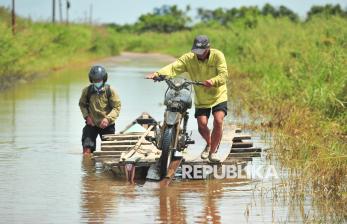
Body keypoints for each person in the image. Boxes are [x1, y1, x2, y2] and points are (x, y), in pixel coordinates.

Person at [146, 35, 228, 162]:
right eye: (196, 52)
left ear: (208, 48)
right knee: (202, 125)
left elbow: (224, 75)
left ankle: (212, 153)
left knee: (218, 120)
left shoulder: (218, 56)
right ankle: (209, 143)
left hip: (218, 94)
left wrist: (212, 81)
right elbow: (174, 67)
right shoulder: (189, 58)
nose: (199, 54)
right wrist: (158, 74)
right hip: (201, 96)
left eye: (202, 52)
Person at [79, 65, 121, 155]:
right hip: (91, 124)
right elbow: (82, 105)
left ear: (104, 79)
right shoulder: (87, 91)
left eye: (99, 80)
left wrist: (108, 119)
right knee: (87, 150)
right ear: (91, 80)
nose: (97, 82)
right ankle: (88, 167)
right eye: (95, 80)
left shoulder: (110, 90)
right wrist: (87, 117)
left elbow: (117, 107)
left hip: (107, 125)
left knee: (108, 151)